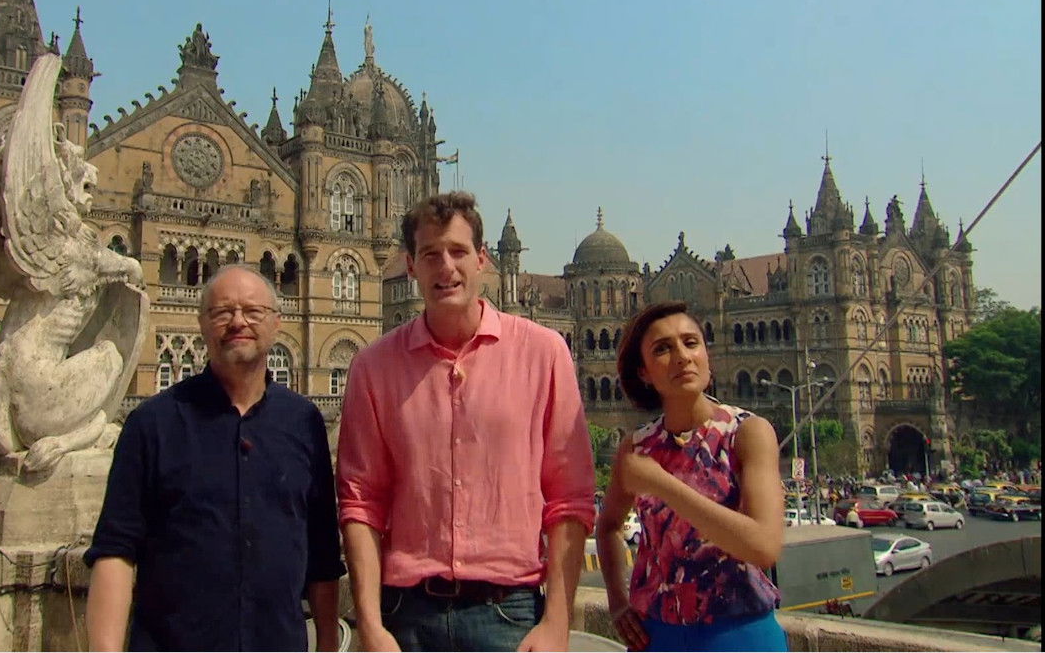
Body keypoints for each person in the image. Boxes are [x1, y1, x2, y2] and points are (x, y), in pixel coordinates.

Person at [337, 191, 595, 652]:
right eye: (430, 255)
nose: (445, 267)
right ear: (412, 267)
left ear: (483, 260)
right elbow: (360, 501)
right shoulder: (373, 367)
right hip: (404, 615)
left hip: (508, 613)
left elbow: (569, 498)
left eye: (457, 252)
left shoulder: (544, 352)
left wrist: (556, 623)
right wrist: (369, 625)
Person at [84, 265, 345, 651]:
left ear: (276, 323)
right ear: (203, 324)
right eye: (223, 312)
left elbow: (321, 549)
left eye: (253, 312)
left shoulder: (303, 422)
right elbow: (115, 551)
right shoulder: (150, 424)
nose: (238, 322)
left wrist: (326, 643)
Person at [595, 301, 786, 652]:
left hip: (740, 635)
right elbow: (607, 526)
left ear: (706, 355)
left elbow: (764, 546)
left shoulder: (747, 433)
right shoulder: (637, 448)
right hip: (658, 634)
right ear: (644, 373)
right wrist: (618, 601)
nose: (682, 356)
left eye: (691, 342)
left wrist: (663, 485)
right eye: (663, 349)